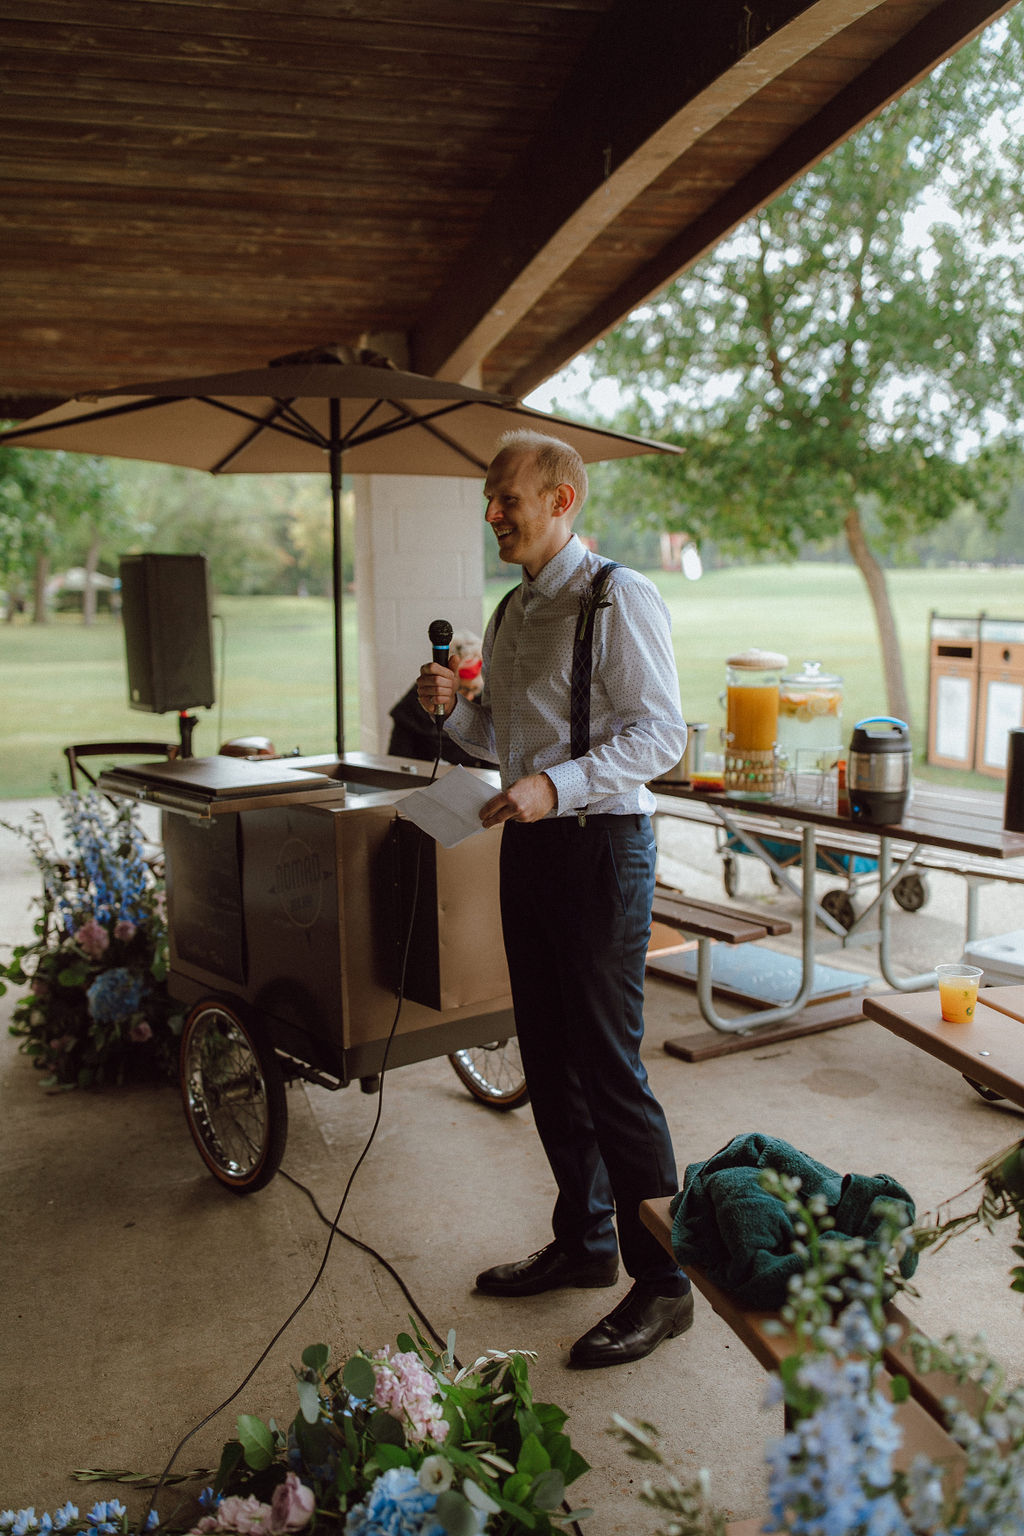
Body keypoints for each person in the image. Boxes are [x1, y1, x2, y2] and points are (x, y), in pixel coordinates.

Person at [415, 428, 693, 1370]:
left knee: (610, 1065)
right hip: (529, 850)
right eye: (491, 500)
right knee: (544, 1049)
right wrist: (454, 713)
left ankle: (664, 1284)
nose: (494, 513)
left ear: (562, 500)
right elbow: (502, 733)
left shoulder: (619, 597)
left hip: (603, 848)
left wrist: (557, 787)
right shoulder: (512, 611)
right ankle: (586, 1240)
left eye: (508, 499)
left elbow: (661, 736)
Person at [388, 631, 490, 767]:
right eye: (463, 690)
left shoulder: (484, 699)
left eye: (474, 690)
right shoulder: (418, 701)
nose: (470, 697)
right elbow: (399, 760)